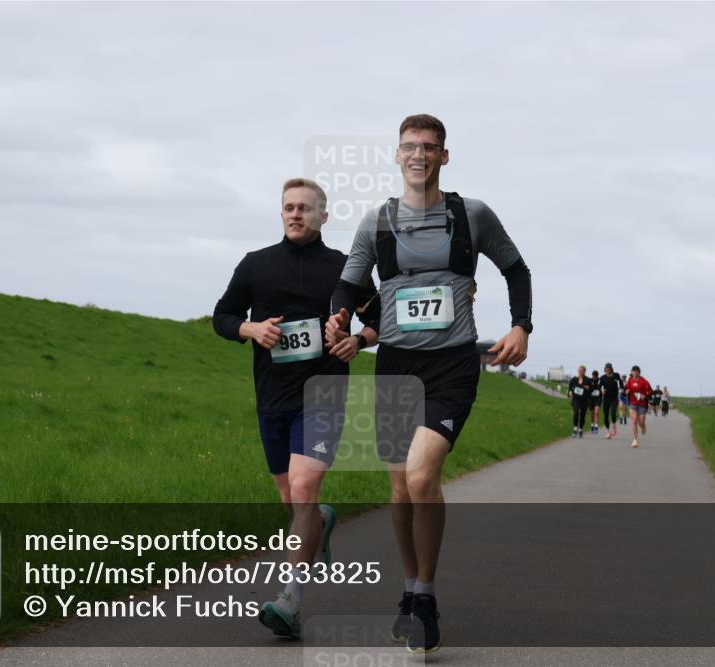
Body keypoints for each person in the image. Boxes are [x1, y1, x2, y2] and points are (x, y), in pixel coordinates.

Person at [327, 114, 532, 653]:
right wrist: (339, 318)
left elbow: (517, 269)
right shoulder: (376, 222)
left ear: (445, 156)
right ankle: (410, 589)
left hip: (452, 366)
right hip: (395, 364)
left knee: (421, 478)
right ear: (397, 156)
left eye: (429, 147)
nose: (418, 154)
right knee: (399, 489)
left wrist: (520, 326)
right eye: (409, 147)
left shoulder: (473, 215)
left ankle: (427, 594)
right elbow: (349, 284)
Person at [212, 178, 380, 639]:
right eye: (288, 207)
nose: (295, 214)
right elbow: (222, 316)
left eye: (305, 207)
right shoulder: (256, 265)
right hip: (272, 397)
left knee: (303, 488)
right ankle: (321, 520)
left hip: (324, 393)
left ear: (323, 216)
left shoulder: (346, 269)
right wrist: (251, 330)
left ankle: (290, 600)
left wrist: (356, 341)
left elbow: (379, 318)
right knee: (294, 501)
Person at [624, 365, 653, 448]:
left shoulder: (643, 381)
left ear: (639, 372)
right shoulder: (630, 381)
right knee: (634, 421)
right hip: (633, 404)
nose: (635, 372)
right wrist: (626, 391)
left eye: (636, 371)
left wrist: (645, 395)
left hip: (642, 405)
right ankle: (635, 440)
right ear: (632, 372)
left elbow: (650, 391)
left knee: (641, 423)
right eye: (633, 371)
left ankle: (643, 427)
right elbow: (625, 389)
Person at [599, 363, 625, 438]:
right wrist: (602, 391)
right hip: (606, 398)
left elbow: (621, 383)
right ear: (605, 369)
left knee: (613, 413)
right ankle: (608, 431)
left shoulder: (616, 375)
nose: (608, 369)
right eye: (607, 368)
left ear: (611, 369)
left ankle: (614, 424)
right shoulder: (603, 378)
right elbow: (599, 387)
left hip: (614, 398)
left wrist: (621, 389)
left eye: (609, 368)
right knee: (606, 415)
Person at [568, 365, 591, 439]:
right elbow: (570, 388)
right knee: (576, 412)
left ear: (585, 371)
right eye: (579, 370)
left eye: (582, 371)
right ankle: (575, 429)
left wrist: (587, 388)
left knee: (582, 415)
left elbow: (591, 389)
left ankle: (580, 429)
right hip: (576, 400)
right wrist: (570, 392)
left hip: (584, 400)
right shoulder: (574, 379)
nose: (580, 372)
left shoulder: (588, 380)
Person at [588, 369, 601, 434]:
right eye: (594, 376)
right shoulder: (589, 381)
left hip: (598, 398)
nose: (594, 377)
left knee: (596, 412)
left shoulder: (600, 381)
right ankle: (592, 425)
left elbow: (603, 387)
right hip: (591, 399)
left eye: (596, 376)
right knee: (592, 414)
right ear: (592, 376)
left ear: (597, 376)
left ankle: (596, 427)